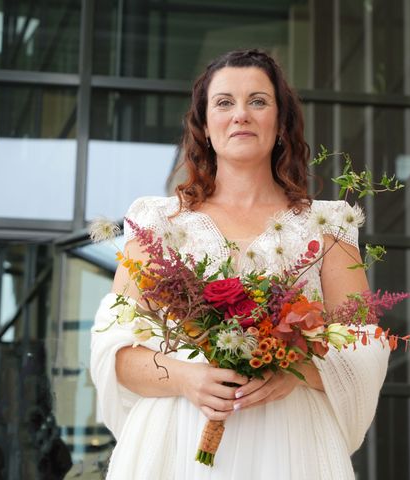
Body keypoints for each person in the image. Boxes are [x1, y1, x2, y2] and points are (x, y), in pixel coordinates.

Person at [90, 49, 389, 479]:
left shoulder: (329, 223)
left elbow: (364, 341)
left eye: (258, 101)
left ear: (281, 123)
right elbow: (115, 351)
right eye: (225, 102)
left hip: (290, 444)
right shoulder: (157, 221)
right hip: (175, 445)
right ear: (205, 126)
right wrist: (186, 377)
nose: (241, 115)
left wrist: (295, 372)